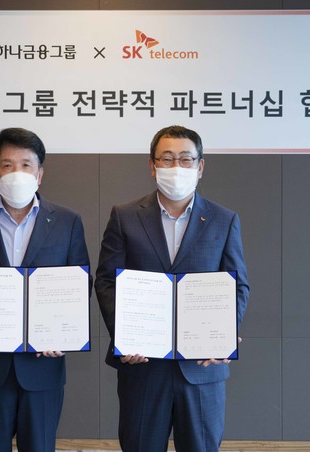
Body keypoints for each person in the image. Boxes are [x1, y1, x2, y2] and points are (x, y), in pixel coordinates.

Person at [95, 125, 249, 452]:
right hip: (143, 367)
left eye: (185, 159)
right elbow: (106, 281)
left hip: (202, 370)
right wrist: (124, 335)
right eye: (166, 159)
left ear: (200, 166)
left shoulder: (224, 219)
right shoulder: (125, 216)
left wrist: (225, 332)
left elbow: (237, 285)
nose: (176, 167)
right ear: (152, 166)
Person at [0, 127, 90, 452]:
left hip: (43, 367)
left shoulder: (67, 222)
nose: (17, 173)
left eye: (25, 165)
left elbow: (80, 284)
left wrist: (65, 331)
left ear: (40, 173)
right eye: (7, 165)